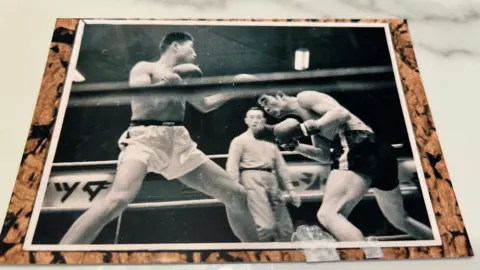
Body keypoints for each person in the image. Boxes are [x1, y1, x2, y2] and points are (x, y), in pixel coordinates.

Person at [60, 32, 259, 244]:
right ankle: (60, 255)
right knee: (118, 200)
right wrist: (169, 82)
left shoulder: (181, 78)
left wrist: (235, 88)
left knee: (237, 195)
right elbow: (142, 97)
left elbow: (205, 104)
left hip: (178, 140)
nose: (195, 54)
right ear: (175, 46)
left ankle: (259, 256)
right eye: (191, 48)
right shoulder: (145, 68)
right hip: (145, 138)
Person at [256, 90, 434, 241]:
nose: (267, 109)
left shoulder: (304, 97)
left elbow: (341, 113)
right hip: (376, 150)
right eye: (264, 108)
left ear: (280, 95)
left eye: (266, 101)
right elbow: (324, 155)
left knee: (328, 215)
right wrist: (297, 146)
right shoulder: (309, 119)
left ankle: (368, 259)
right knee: (401, 220)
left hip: (357, 144)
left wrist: (308, 128)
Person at [226, 107, 301, 242]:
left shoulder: (271, 142)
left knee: (285, 228)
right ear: (246, 120)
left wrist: (291, 190)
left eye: (258, 117)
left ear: (264, 120)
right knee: (265, 226)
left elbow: (281, 166)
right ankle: (261, 256)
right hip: (250, 178)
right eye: (252, 117)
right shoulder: (239, 140)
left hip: (271, 179)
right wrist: (235, 188)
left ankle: (286, 257)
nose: (255, 120)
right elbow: (232, 165)